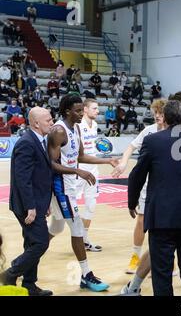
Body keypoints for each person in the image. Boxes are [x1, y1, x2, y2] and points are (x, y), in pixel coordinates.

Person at [128, 100, 181, 296]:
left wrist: (132, 202)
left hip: (162, 216)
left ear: (164, 117)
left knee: (162, 273)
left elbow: (137, 175)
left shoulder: (153, 141)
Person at [47, 94, 118, 292]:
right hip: (61, 186)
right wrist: (77, 170)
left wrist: (107, 160)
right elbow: (51, 164)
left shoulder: (76, 128)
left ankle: (29, 255)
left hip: (70, 182)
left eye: (81, 110)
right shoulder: (58, 131)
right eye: (78, 111)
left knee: (56, 228)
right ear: (67, 111)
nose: (81, 113)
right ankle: (86, 275)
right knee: (77, 229)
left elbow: (80, 156)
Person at [0, 107, 54, 295]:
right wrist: (31, 207)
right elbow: (22, 179)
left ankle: (29, 285)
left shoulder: (40, 141)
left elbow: (40, 176)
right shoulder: (27, 143)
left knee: (32, 243)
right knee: (41, 243)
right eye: (48, 120)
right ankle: (10, 273)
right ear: (36, 123)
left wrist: (44, 203)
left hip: (37, 202)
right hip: (26, 204)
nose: (52, 122)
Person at [112, 99, 167, 274]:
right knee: (142, 220)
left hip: (167, 185)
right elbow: (131, 146)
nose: (157, 115)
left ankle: (162, 260)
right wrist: (123, 163)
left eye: (161, 112)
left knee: (164, 224)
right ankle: (135, 257)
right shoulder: (149, 131)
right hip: (148, 184)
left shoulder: (176, 132)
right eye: (155, 112)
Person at [76, 99, 102, 252]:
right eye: (94, 108)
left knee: (91, 205)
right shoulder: (78, 125)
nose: (97, 111)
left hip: (93, 169)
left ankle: (84, 240)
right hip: (79, 170)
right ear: (85, 109)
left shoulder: (96, 125)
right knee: (71, 205)